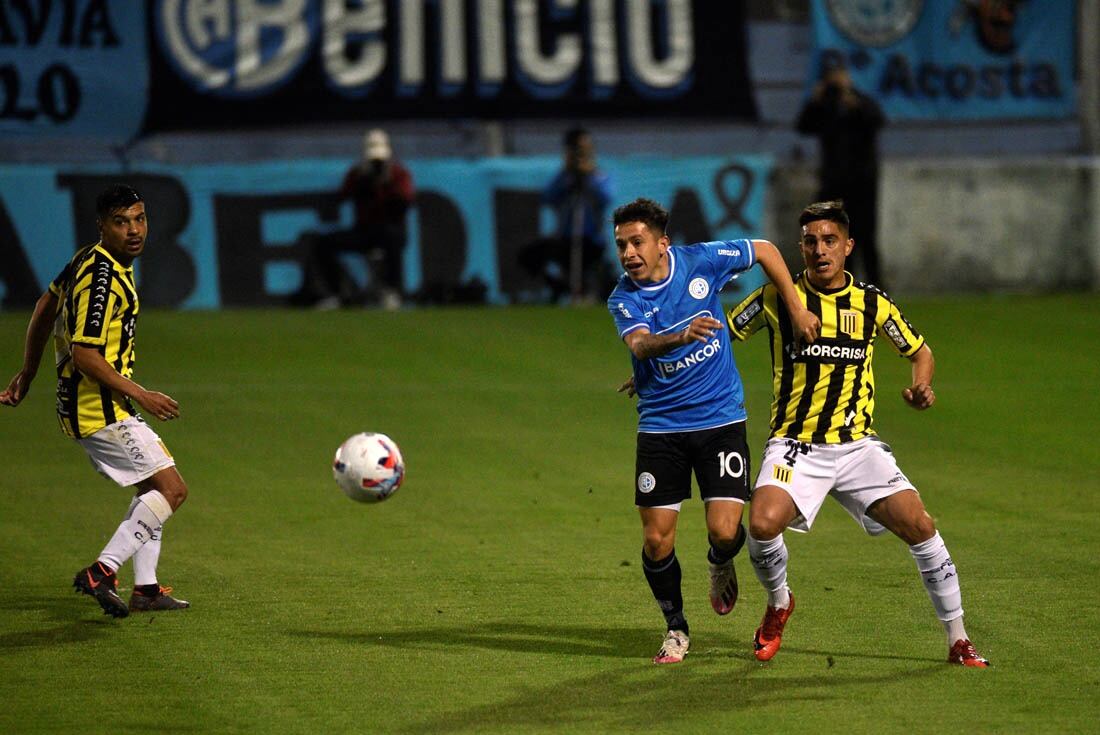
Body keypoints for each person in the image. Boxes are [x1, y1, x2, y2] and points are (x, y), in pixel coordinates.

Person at [725, 200, 989, 667]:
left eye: (830, 241)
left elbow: (919, 350)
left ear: (848, 247)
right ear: (799, 248)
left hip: (856, 447)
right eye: (810, 242)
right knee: (762, 524)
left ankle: (958, 639)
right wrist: (665, 362)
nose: (819, 250)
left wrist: (921, 385)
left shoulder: (871, 302)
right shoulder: (776, 298)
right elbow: (721, 335)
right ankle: (780, 603)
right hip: (796, 445)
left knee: (921, 527)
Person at [607, 197, 819, 664]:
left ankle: (720, 562)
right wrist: (678, 340)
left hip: (721, 419)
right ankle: (676, 628)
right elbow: (641, 344)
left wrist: (797, 306)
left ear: (663, 244)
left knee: (725, 532)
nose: (628, 253)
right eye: (621, 244)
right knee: (657, 539)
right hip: (661, 427)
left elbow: (764, 249)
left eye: (637, 242)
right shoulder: (624, 297)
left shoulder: (701, 260)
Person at [1, 185, 190, 618]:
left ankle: (146, 589)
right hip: (98, 407)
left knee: (151, 489)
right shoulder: (102, 278)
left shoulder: (88, 258)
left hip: (95, 403)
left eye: (139, 219)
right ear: (102, 226)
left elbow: (45, 305)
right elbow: (86, 355)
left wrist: (28, 373)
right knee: (172, 490)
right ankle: (102, 571)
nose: (134, 230)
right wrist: (143, 393)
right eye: (121, 222)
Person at [296, 128, 415, 310]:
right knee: (323, 243)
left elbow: (405, 201)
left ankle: (392, 291)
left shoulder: (399, 175)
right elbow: (341, 196)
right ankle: (336, 293)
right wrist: (362, 183)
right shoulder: (358, 174)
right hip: (364, 231)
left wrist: (386, 187)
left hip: (389, 230)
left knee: (392, 238)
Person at [796, 61, 886, 287]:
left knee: (865, 236)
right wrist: (815, 100)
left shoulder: (859, 101)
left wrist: (852, 101)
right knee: (834, 236)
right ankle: (844, 283)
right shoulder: (825, 105)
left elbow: (878, 120)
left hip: (862, 183)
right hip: (833, 184)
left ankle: (876, 287)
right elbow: (803, 126)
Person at [520, 127, 614, 304]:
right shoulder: (564, 177)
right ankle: (560, 286)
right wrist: (568, 176)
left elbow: (606, 197)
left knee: (597, 274)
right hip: (566, 239)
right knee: (529, 256)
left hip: (591, 241)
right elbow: (547, 197)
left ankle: (589, 289)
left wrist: (588, 176)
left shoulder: (598, 176)